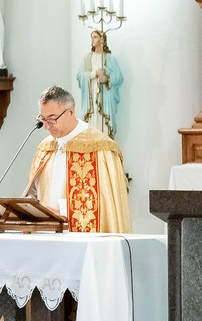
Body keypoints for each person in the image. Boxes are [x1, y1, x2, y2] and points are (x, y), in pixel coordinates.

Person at [24, 86, 132, 234]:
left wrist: (60, 211)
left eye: (52, 118)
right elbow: (34, 194)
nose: (47, 126)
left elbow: (106, 204)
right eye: (43, 119)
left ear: (70, 112)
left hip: (80, 238)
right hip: (44, 235)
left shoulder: (100, 148)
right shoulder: (46, 148)